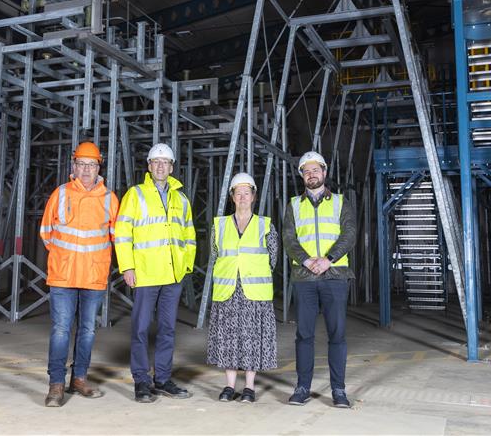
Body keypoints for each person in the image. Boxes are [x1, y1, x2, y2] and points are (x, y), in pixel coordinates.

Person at [114, 143, 197, 403]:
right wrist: (127, 266)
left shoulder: (180, 198)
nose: (161, 166)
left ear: (172, 167)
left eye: (165, 162)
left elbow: (190, 235)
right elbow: (122, 233)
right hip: (146, 275)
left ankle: (162, 378)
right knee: (140, 329)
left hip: (173, 276)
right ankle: (141, 380)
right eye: (156, 162)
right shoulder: (135, 194)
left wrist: (186, 266)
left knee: (167, 329)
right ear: (149, 166)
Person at [39, 142, 119, 407]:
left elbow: (116, 237)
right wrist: (67, 258)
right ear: (73, 166)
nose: (86, 169)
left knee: (87, 330)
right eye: (82, 164)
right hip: (63, 276)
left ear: (99, 168)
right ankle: (56, 384)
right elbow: (47, 234)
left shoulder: (109, 198)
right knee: (61, 330)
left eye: (91, 164)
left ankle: (80, 378)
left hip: (93, 277)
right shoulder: (59, 194)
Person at [283, 151, 357, 409]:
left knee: (337, 334)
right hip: (304, 278)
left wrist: (329, 259)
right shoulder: (293, 205)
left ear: (324, 173)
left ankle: (338, 390)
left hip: (334, 276)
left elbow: (349, 233)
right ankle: (302, 387)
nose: (312, 174)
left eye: (316, 170)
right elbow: (289, 239)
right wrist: (306, 261)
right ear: (302, 175)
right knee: (304, 335)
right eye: (307, 171)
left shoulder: (340, 202)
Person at [206, 173, 278, 403]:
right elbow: (215, 255)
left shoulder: (265, 225)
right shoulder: (220, 225)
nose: (243, 197)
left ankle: (248, 387)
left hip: (254, 292)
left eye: (247, 193)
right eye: (238, 193)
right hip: (228, 290)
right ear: (232, 198)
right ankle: (229, 386)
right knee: (229, 338)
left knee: (251, 338)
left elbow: (272, 259)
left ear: (254, 197)